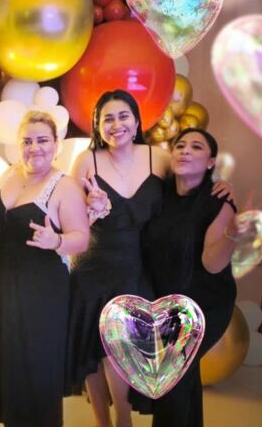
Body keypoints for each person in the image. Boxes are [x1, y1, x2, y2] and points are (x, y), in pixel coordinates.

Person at [68, 90, 169, 427]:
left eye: (123, 116)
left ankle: (122, 418)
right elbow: (70, 219)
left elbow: (187, 193)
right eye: (107, 119)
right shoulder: (87, 162)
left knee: (122, 348)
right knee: (93, 351)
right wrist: (90, 211)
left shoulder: (159, 158)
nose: (116, 124)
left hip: (137, 268)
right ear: (98, 126)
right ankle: (103, 422)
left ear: (137, 121)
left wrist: (221, 188)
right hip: (92, 267)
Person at [0, 111, 90, 426]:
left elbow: (81, 238)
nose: (34, 148)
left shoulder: (65, 185)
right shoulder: (10, 174)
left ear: (56, 144)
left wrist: (56, 240)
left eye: (42, 140)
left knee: (38, 369)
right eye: (27, 141)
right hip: (7, 287)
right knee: (13, 365)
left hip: (43, 291)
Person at [142, 128, 238, 427]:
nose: (185, 150)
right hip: (166, 303)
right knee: (183, 379)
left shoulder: (219, 200)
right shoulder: (159, 194)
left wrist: (233, 234)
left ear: (210, 162)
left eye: (196, 147)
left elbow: (212, 263)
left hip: (205, 305)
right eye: (180, 145)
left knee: (171, 379)